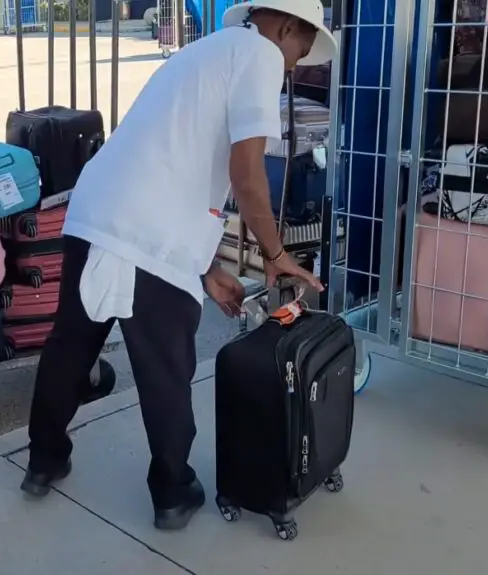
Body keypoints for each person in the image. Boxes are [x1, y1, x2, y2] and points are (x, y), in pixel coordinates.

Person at [20, 0, 338, 531]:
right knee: (165, 370)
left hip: (95, 212)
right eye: (298, 55)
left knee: (70, 348)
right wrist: (276, 255)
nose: (291, 70)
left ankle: (42, 462)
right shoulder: (259, 55)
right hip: (148, 231)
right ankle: (172, 493)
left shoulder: (200, 54)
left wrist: (206, 268)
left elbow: (169, 163)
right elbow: (247, 173)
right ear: (285, 28)